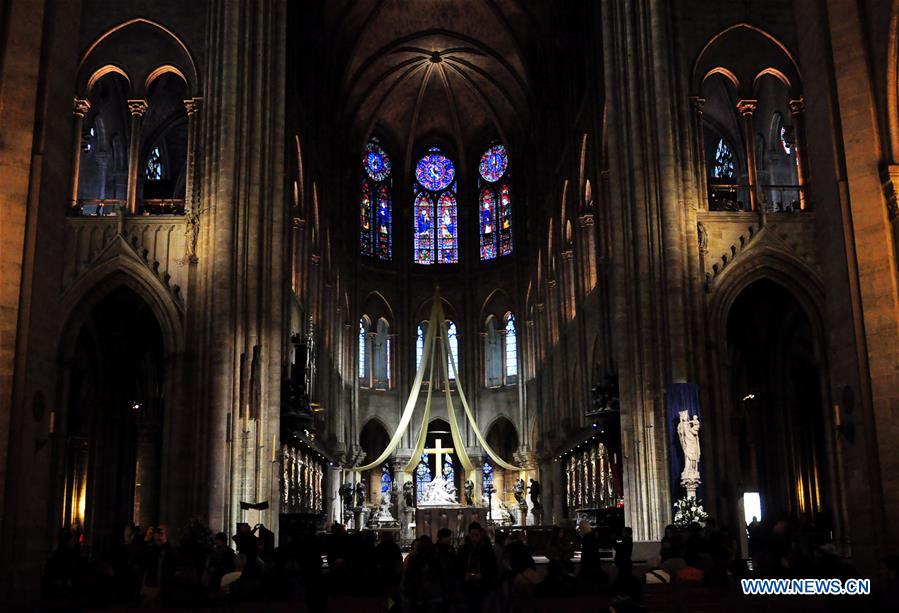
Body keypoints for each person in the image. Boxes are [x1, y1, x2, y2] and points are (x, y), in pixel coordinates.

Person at [458, 522, 497, 613]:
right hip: (468, 587)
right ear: (469, 535)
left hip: (483, 587)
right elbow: (458, 567)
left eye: (477, 535)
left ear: (480, 535)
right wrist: (464, 575)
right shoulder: (464, 550)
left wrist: (482, 575)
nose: (474, 538)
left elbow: (493, 568)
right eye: (472, 535)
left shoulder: (487, 550)